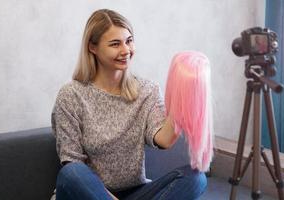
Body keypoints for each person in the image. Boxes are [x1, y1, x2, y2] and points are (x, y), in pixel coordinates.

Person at [51, 9, 207, 200]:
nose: (126, 50)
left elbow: (164, 139)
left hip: (135, 192)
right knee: (72, 172)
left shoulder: (147, 90)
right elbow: (71, 163)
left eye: (129, 41)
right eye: (115, 44)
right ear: (93, 47)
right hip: (85, 194)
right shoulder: (71, 95)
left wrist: (183, 90)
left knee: (196, 178)